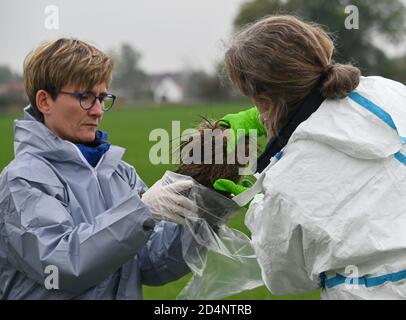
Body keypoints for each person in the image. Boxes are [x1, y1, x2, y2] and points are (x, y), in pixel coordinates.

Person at [217, 15, 406, 299]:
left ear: (264, 101)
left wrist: (258, 207)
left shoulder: (284, 178)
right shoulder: (390, 91)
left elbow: (285, 278)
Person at [0, 38, 196, 299]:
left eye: (102, 98)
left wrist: (205, 213)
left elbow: (151, 265)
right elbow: (63, 266)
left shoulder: (119, 172)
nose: (98, 111)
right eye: (85, 98)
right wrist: (142, 213)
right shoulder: (22, 180)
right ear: (45, 101)